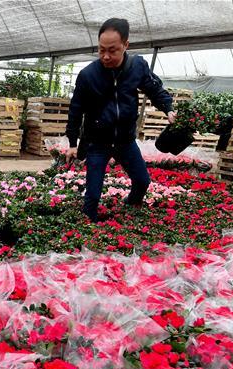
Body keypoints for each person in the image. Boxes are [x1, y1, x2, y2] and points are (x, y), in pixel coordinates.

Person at [65, 18, 176, 220]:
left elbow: (155, 90)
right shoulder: (88, 75)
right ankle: (87, 229)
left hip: (125, 140)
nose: (106, 56)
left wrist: (168, 109)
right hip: (98, 142)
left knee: (142, 181)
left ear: (126, 45)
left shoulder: (137, 66)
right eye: (101, 50)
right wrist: (73, 143)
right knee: (92, 195)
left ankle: (129, 207)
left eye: (112, 50)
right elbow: (75, 110)